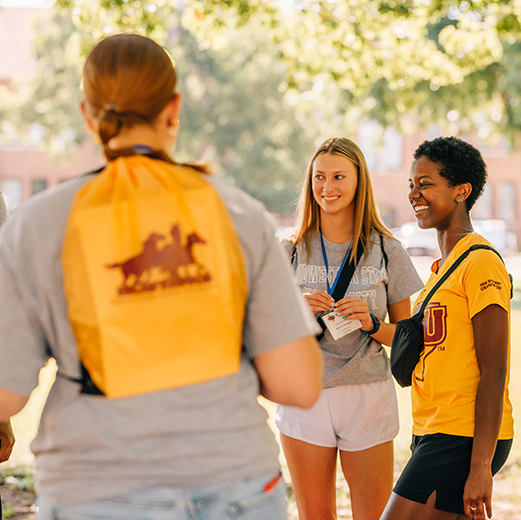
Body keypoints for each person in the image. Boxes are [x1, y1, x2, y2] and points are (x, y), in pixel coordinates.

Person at [0, 33, 323, 520]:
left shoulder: (37, 224)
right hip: (235, 481)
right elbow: (298, 385)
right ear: (174, 109)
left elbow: (7, 390)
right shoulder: (236, 213)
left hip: (96, 486)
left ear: (88, 116)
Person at [276, 137, 424, 520]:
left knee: (372, 515)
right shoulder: (287, 249)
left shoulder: (386, 249)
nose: (327, 187)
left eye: (339, 176)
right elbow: (266, 336)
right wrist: (296, 311)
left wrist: (371, 323)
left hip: (367, 394)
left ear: (359, 181)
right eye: (319, 177)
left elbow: (406, 338)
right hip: (304, 394)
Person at [380, 136, 514, 520]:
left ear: (461, 191)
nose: (414, 194)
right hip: (433, 429)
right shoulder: (440, 271)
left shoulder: (480, 262)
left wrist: (479, 467)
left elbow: (495, 370)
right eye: (411, 185)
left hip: (463, 435)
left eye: (425, 184)